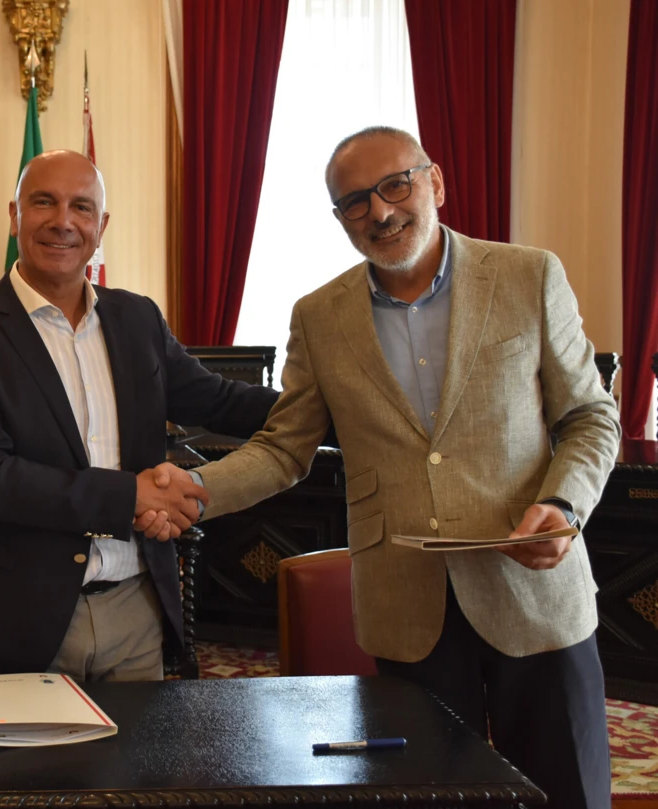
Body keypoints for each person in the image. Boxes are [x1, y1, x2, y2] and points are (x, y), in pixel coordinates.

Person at [142, 127, 620, 808]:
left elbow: (591, 418)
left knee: (566, 792)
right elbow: (285, 446)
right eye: (355, 201)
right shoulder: (319, 316)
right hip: (407, 605)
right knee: (433, 794)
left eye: (396, 185)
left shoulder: (529, 274)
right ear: (340, 218)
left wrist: (566, 506)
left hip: (536, 594)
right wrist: (194, 490)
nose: (382, 211)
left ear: (436, 182)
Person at [0, 150, 279, 681]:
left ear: (100, 226)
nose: (63, 221)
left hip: (137, 610)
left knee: (137, 766)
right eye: (44, 202)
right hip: (16, 621)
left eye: (82, 207)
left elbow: (221, 401)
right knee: (17, 769)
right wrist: (134, 496)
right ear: (15, 215)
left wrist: (332, 407)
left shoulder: (137, 318)